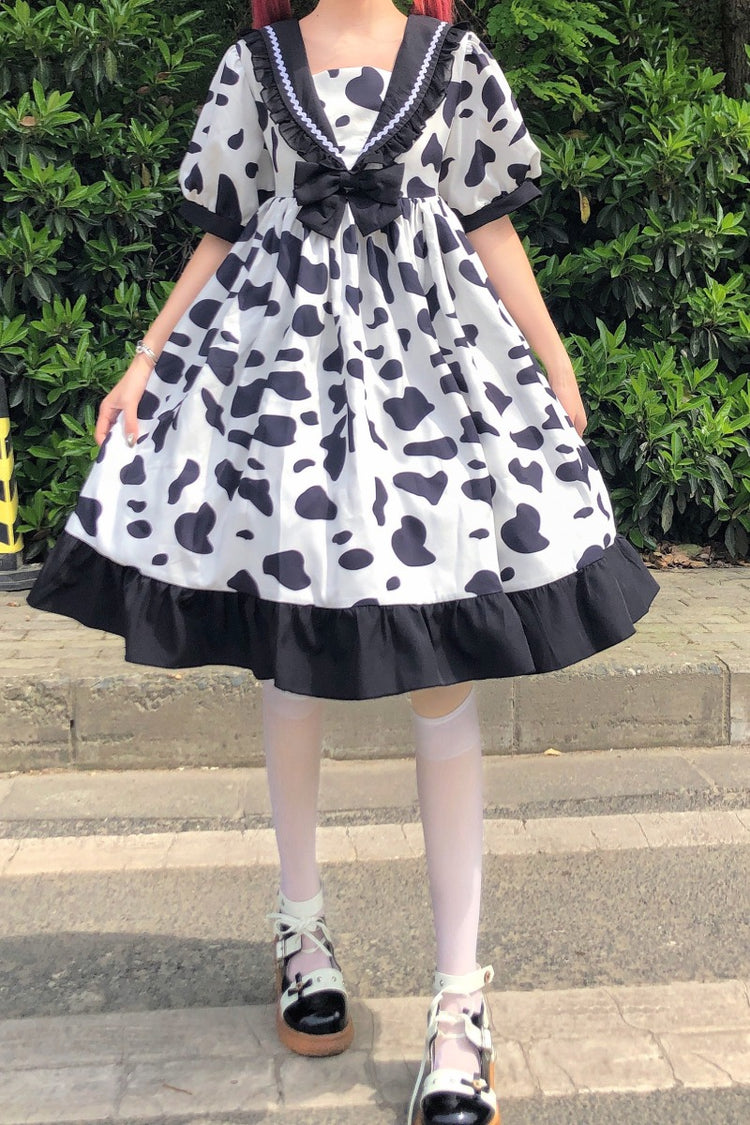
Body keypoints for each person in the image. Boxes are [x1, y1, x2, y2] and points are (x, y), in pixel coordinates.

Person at [28, 0, 659, 1120]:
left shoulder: (456, 61)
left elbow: (492, 225)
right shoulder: (255, 63)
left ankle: (459, 1002)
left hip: (432, 396)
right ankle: (302, 930)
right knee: (292, 655)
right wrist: (145, 360)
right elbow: (221, 232)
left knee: (444, 669)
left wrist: (556, 368)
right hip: (283, 395)